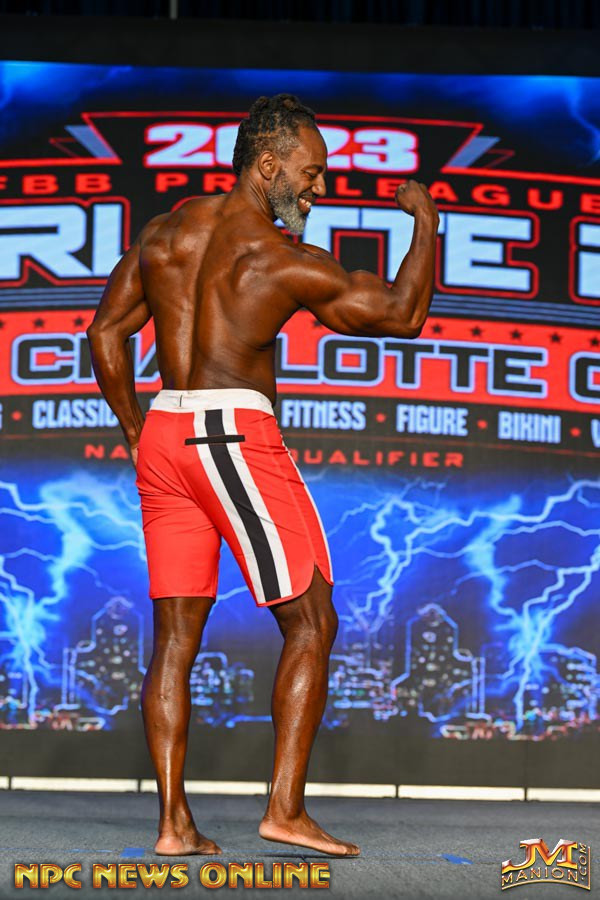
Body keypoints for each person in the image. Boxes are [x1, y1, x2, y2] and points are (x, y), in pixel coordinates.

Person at [87, 93, 439, 858]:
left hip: (165, 436)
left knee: (175, 636)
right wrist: (425, 221)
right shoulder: (277, 258)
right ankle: (284, 809)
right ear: (268, 164)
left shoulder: (166, 231)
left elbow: (105, 333)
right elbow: (402, 314)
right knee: (312, 621)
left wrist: (136, 429)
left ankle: (174, 825)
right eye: (311, 173)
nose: (319, 188)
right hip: (231, 436)